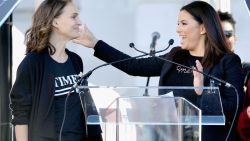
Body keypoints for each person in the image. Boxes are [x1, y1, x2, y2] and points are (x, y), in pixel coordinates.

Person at [74, 1, 244, 141]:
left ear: (203, 28)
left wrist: (202, 92)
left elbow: (234, 107)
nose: (178, 29)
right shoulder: (174, 56)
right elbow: (133, 66)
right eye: (178, 23)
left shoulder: (227, 61)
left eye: (184, 23)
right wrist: (96, 44)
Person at [9, 0, 102, 141]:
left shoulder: (76, 60)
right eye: (73, 16)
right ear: (55, 22)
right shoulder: (32, 63)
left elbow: (83, 106)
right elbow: (20, 113)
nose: (79, 22)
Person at [218, 11, 250, 141]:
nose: (224, 39)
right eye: (219, 35)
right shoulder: (202, 71)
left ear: (235, 37)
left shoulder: (247, 72)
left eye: (228, 34)